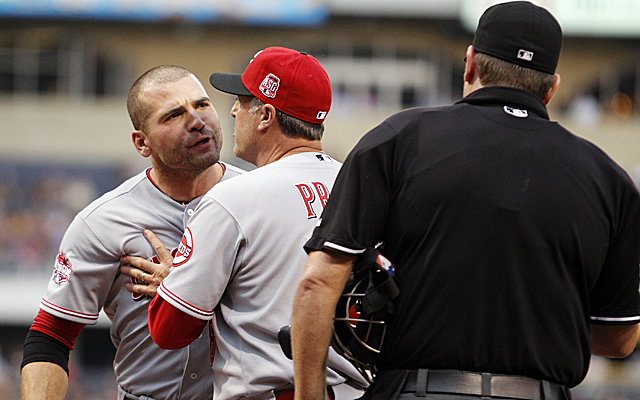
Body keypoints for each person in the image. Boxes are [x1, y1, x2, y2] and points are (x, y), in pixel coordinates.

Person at [290, 2, 640, 400]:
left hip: (417, 390)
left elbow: (317, 282)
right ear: (552, 86)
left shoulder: (399, 139)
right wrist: (529, 321)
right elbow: (620, 338)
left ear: (470, 64)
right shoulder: (609, 180)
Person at [122, 46, 368, 400]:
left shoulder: (232, 198)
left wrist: (175, 282)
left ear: (265, 115)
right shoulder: (362, 187)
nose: (234, 111)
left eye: (242, 100)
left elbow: (169, 331)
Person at [20, 65, 244, 400]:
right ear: (142, 143)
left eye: (202, 104)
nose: (197, 120)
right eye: (173, 115)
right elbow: (51, 335)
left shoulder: (256, 198)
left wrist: (185, 288)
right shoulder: (102, 221)